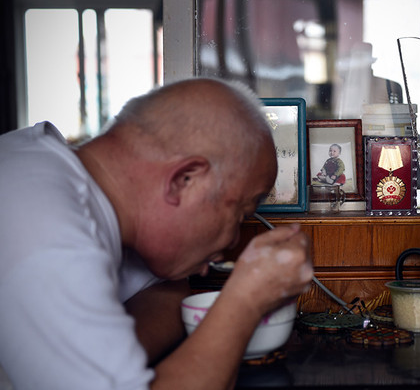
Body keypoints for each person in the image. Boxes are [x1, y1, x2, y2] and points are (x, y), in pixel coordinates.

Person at [0, 78, 314, 390]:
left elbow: (170, 294)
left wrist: (104, 353)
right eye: (241, 213)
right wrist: (245, 300)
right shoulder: (47, 235)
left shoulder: (73, 181)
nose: (233, 241)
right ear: (184, 180)